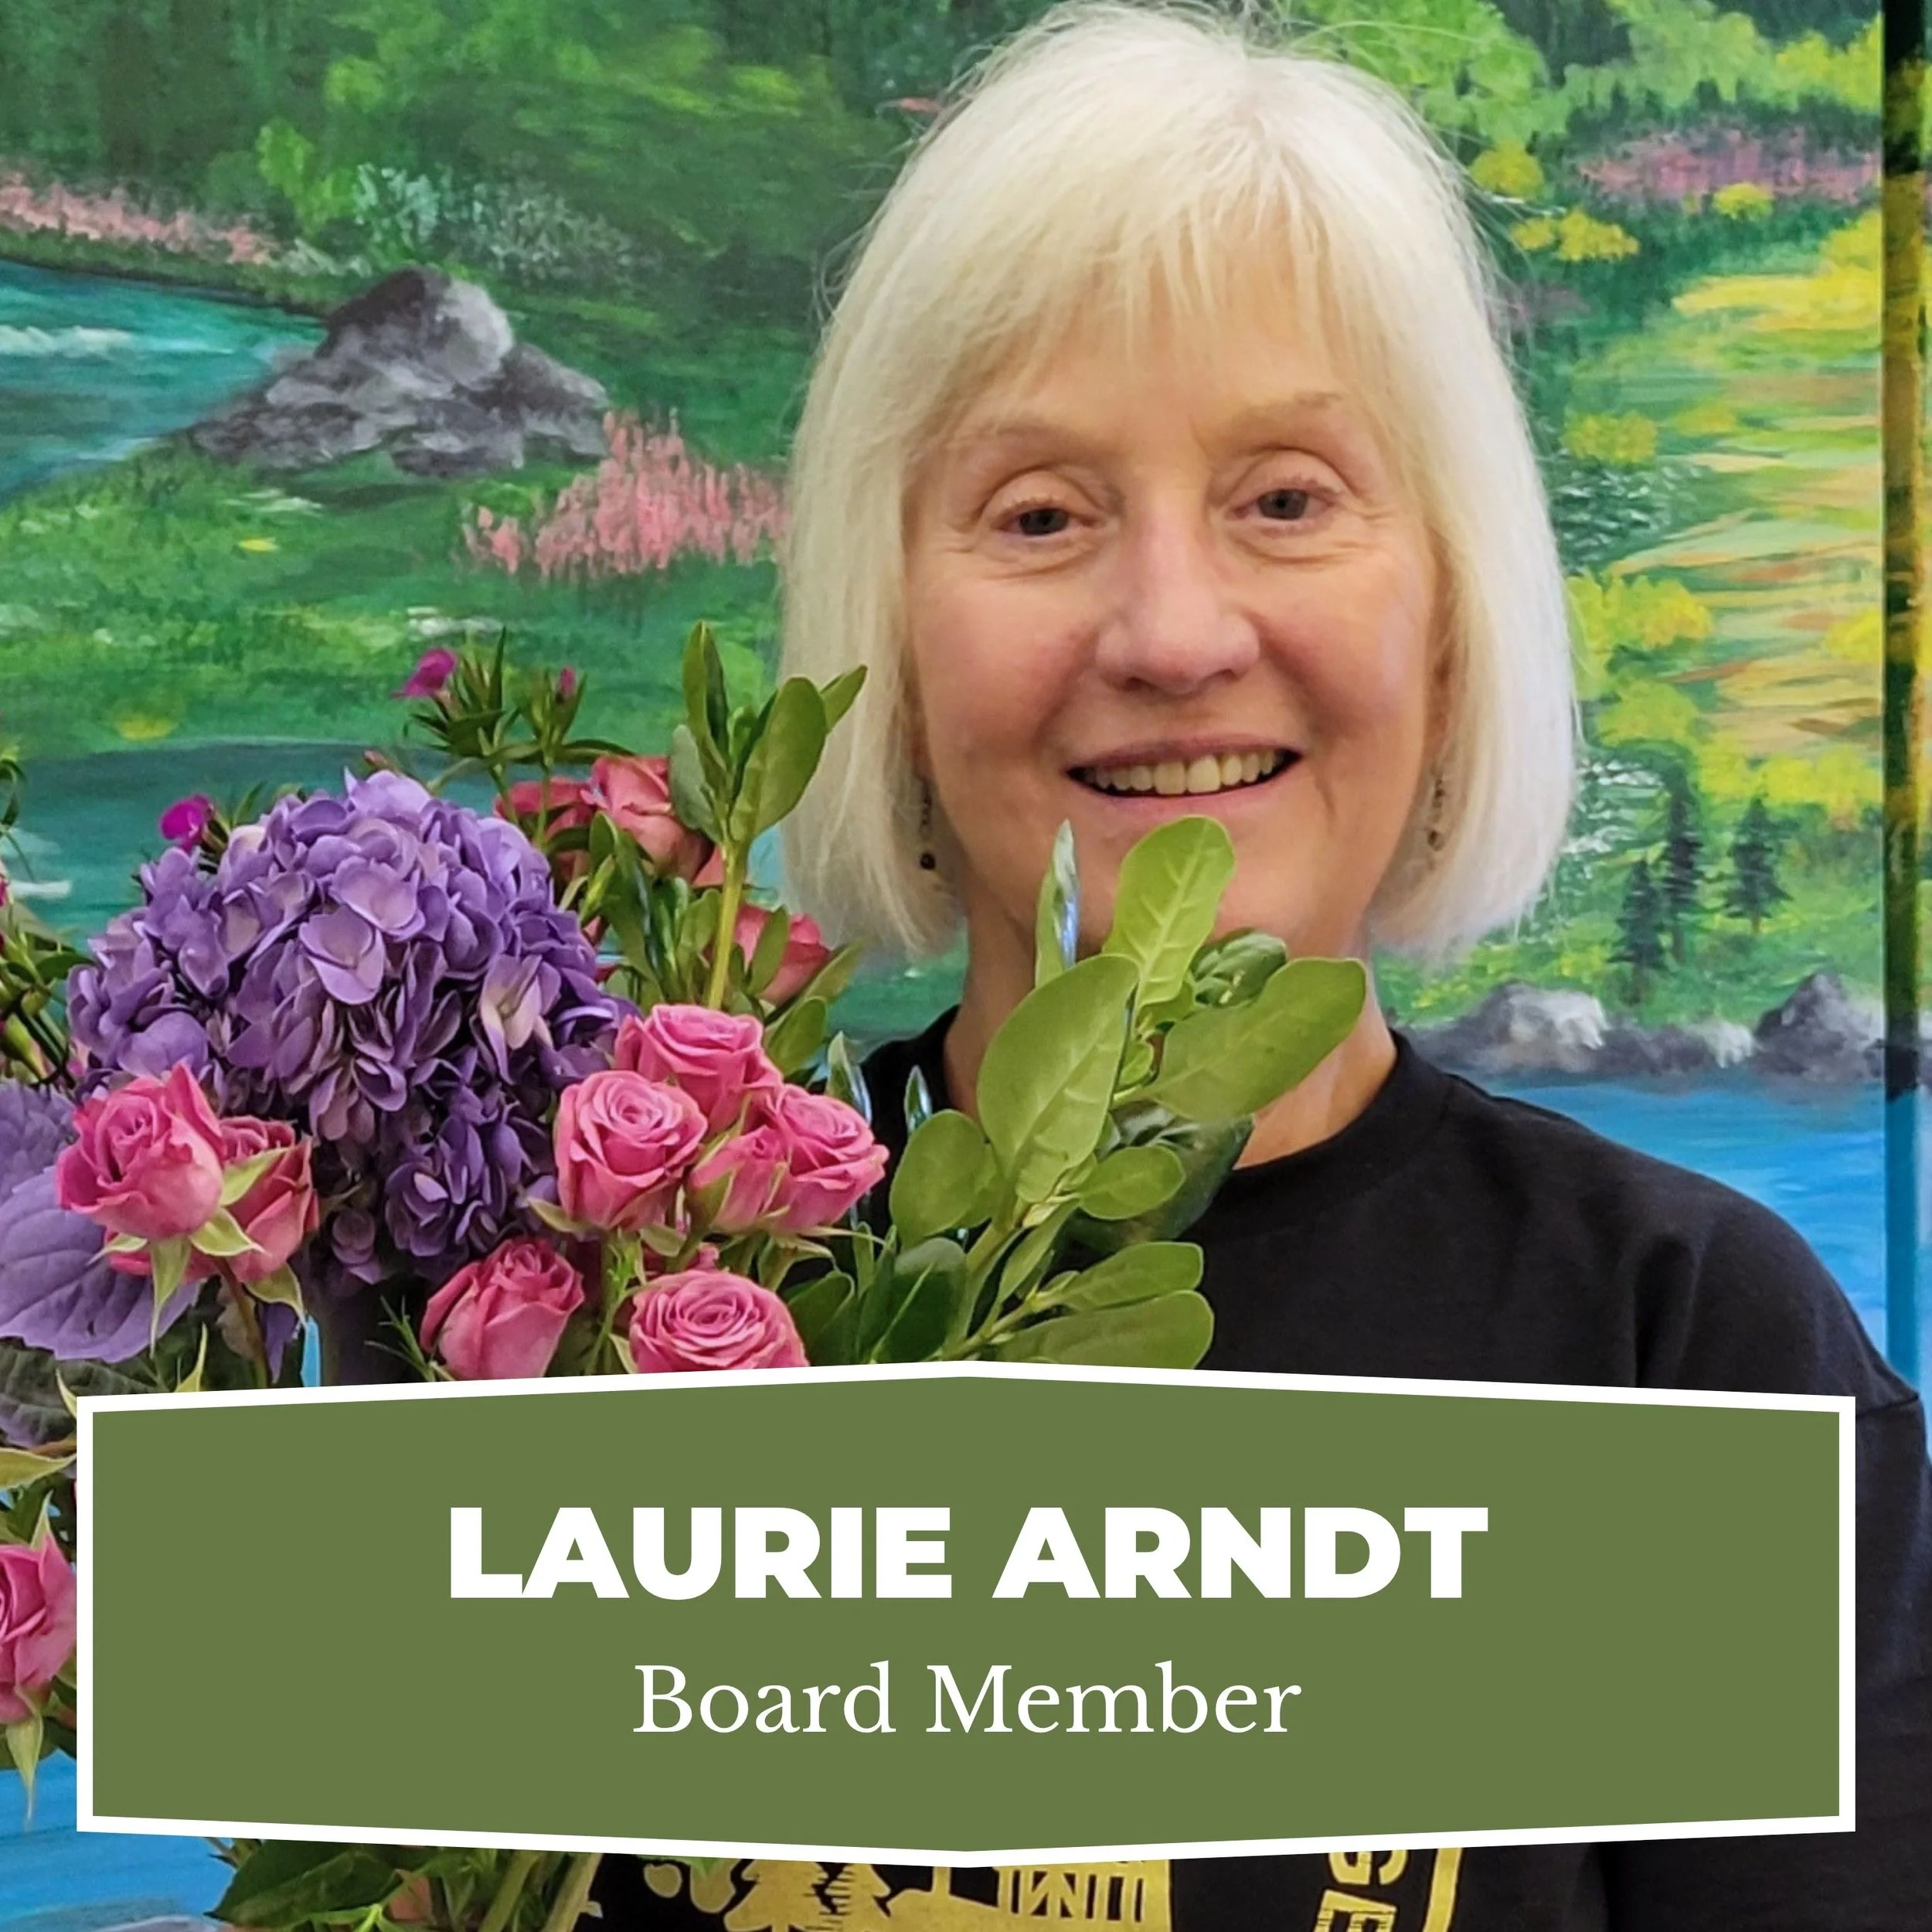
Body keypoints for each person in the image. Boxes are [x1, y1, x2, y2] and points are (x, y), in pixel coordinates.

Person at [598, 4, 1932, 1927]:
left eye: (1285, 497)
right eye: (1038, 512)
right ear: (877, 627)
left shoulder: (1694, 1360)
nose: (1169, 626)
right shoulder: (625, 1294)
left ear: (1452, 610)